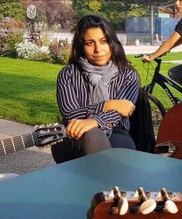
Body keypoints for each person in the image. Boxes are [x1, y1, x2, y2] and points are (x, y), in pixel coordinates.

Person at [52, 15, 139, 164]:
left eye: (104, 41)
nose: (98, 49)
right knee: (90, 136)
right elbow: (70, 114)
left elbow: (123, 111)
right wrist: (107, 105)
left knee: (95, 136)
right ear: (81, 46)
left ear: (112, 43)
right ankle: (109, 183)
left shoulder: (128, 74)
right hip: (74, 134)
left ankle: (106, 180)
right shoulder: (68, 73)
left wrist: (94, 121)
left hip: (116, 131)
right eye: (89, 43)